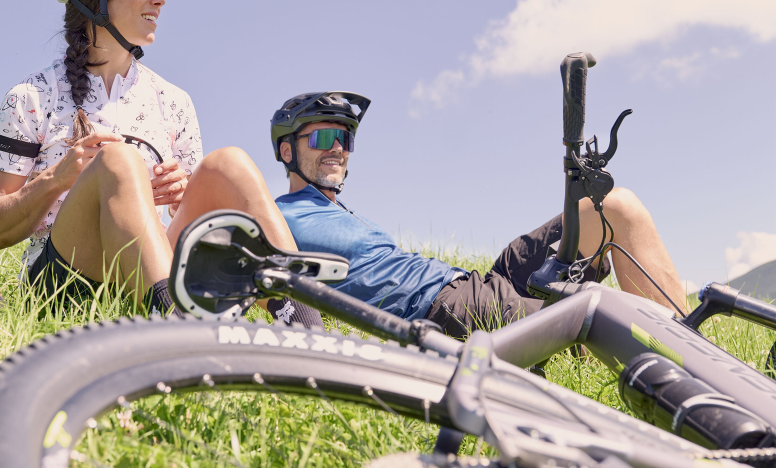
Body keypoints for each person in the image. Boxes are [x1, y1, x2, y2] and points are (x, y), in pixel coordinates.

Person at [0, 0, 318, 324]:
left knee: (230, 164)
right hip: (63, 287)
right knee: (119, 160)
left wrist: (182, 195)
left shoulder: (174, 101)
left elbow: (191, 224)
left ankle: (308, 329)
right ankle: (179, 331)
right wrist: (57, 178)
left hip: (148, 278)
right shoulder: (31, 97)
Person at [270, 92, 689, 338]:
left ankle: (696, 346)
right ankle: (690, 374)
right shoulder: (277, 217)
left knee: (614, 207)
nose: (338, 148)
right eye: (324, 136)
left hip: (481, 281)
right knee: (601, 322)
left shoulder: (339, 212)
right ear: (287, 150)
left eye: (344, 139)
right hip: (447, 308)